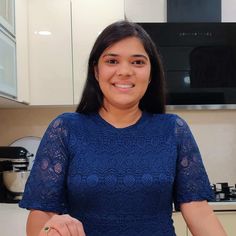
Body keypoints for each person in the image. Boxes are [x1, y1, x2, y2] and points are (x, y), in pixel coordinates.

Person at [19, 20, 227, 236]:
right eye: (112, 61)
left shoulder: (173, 130)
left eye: (138, 62)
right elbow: (40, 217)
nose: (125, 71)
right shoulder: (65, 129)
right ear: (96, 71)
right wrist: (51, 228)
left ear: (151, 73)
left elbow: (199, 211)